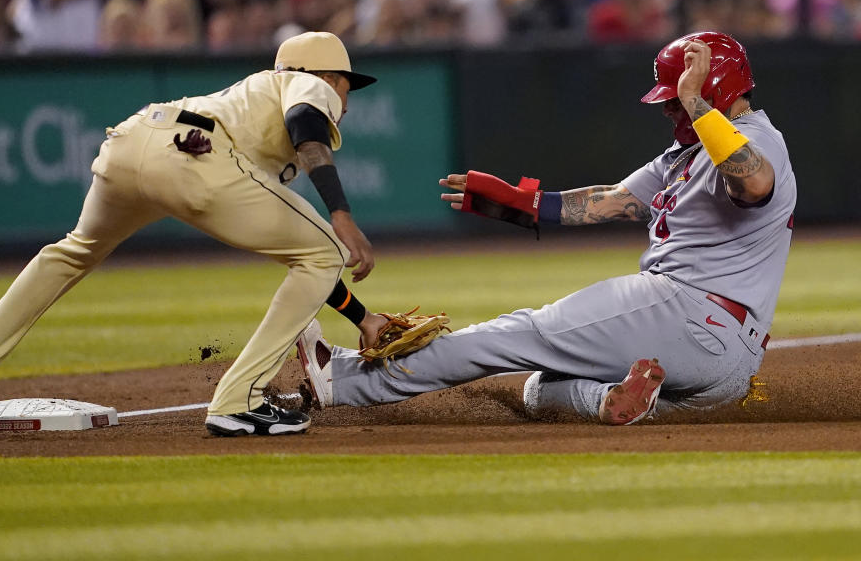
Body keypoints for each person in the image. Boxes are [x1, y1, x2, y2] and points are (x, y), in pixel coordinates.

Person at [298, 31, 797, 425]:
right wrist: (524, 205)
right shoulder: (686, 152)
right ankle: (607, 401)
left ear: (713, 88)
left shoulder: (755, 139)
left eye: (674, 97)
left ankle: (344, 381)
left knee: (515, 335)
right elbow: (613, 201)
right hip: (726, 363)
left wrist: (694, 101)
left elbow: (753, 182)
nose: (669, 107)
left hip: (686, 309)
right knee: (540, 390)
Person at [0, 31, 396, 437]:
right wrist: (341, 212)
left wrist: (361, 318)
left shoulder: (251, 98)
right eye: (347, 84)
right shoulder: (309, 83)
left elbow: (307, 254)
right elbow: (306, 125)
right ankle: (239, 401)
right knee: (326, 247)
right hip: (197, 154)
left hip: (131, 141)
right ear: (328, 76)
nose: (347, 97)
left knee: (71, 253)